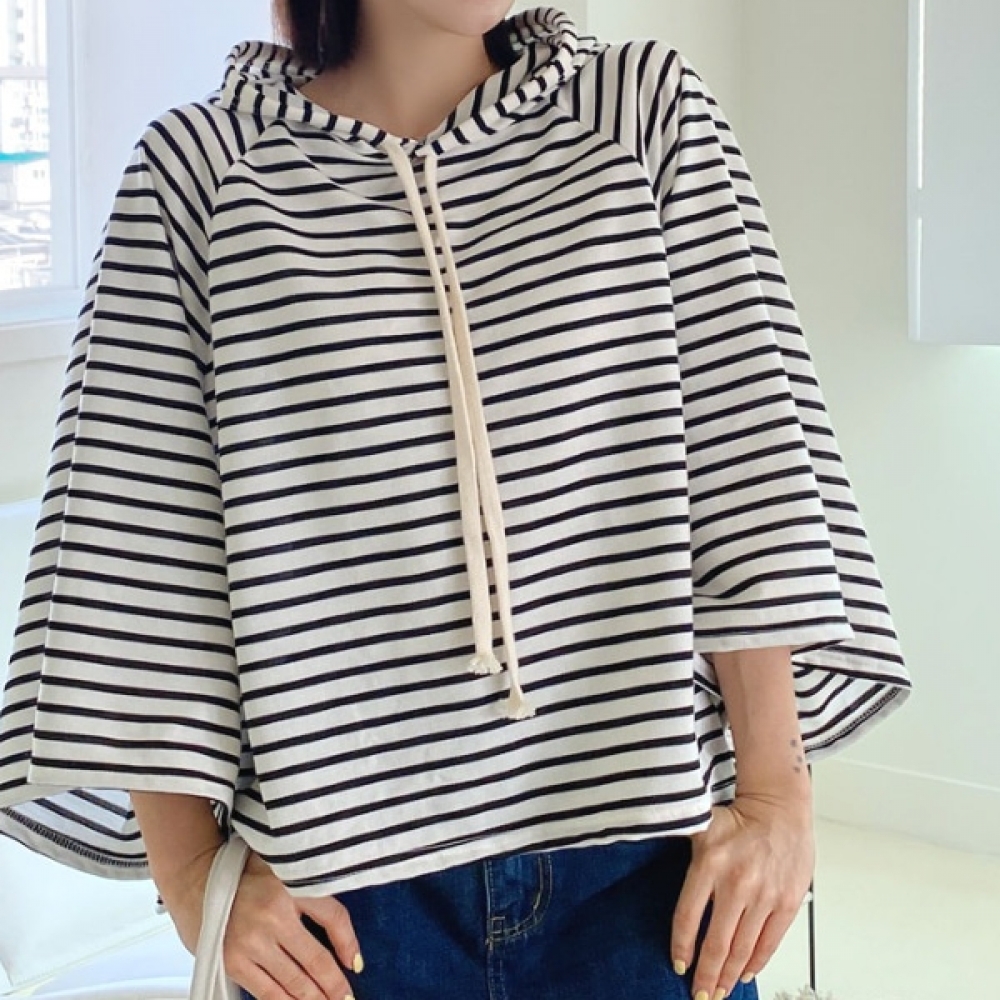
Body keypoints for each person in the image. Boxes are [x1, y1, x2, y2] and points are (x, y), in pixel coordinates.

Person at [0, 3, 912, 1000]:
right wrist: (189, 879)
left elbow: (748, 462)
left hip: (649, 871)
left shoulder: (641, 113)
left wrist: (777, 797)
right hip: (338, 907)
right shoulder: (199, 173)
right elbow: (137, 543)